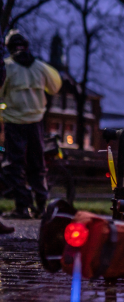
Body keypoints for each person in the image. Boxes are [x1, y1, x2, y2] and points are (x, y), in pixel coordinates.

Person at [0, 30, 62, 219]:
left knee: (14, 165)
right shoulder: (41, 67)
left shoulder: (6, 67)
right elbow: (55, 86)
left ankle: (22, 206)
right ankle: (42, 206)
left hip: (13, 123)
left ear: (8, 47)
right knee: (38, 164)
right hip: (36, 122)